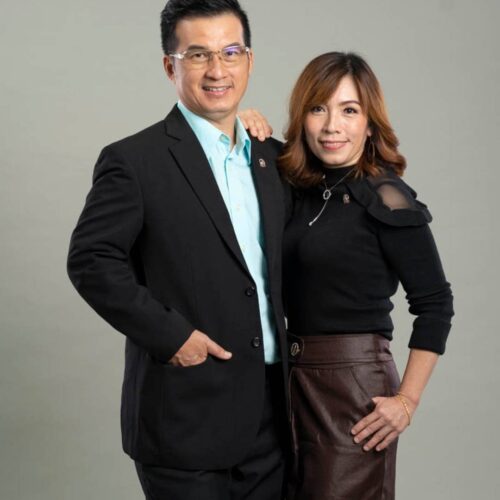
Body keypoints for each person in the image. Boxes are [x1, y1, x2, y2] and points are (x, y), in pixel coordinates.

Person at [66, 1, 289, 498]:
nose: (217, 70)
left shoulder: (274, 159)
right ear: (171, 66)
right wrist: (172, 337)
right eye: (198, 55)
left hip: (274, 418)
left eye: (230, 52)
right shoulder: (134, 160)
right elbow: (91, 261)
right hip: (184, 420)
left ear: (249, 61)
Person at [277, 52, 454, 499]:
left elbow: (436, 305)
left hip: (352, 385)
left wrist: (407, 401)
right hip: (287, 381)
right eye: (318, 109)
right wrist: (246, 126)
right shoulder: (299, 189)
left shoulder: (387, 195)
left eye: (349, 110)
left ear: (370, 124)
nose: (331, 126)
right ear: (302, 118)